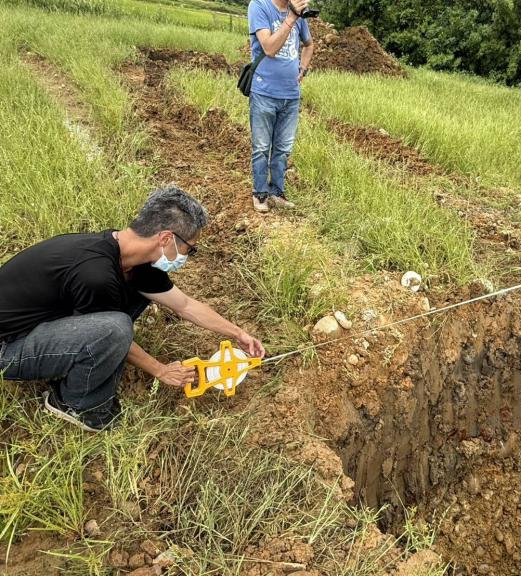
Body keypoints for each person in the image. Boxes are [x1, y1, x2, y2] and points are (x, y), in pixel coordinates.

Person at [0, 186, 266, 432]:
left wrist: (238, 334)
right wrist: (160, 369)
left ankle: (79, 368)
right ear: (166, 238)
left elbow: (185, 305)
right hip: (7, 348)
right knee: (115, 328)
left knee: (128, 308)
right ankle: (73, 403)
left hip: (40, 325)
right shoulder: (95, 273)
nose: (187, 257)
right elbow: (111, 331)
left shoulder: (131, 260)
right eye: (189, 249)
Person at [248, 0, 314, 214]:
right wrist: (292, 18)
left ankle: (277, 192)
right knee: (261, 147)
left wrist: (302, 70)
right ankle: (260, 193)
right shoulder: (259, 6)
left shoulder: (298, 13)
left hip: (290, 95)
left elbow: (308, 44)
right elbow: (269, 48)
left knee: (283, 149)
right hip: (264, 92)